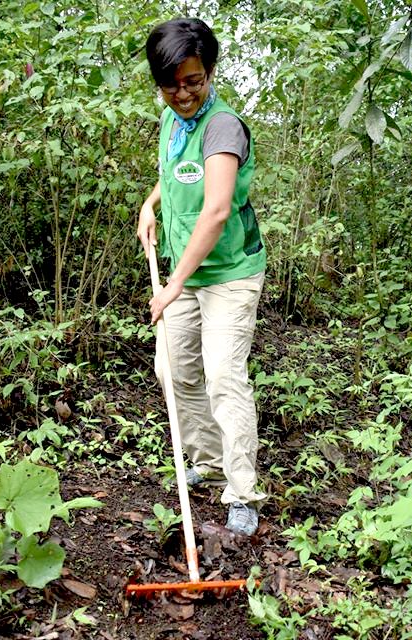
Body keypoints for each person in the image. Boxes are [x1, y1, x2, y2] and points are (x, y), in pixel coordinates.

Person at [137, 18, 267, 536]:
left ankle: (242, 491)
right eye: (173, 85)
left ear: (209, 72)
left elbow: (215, 211)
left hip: (229, 273)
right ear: (160, 82)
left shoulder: (222, 126)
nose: (185, 93)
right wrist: (151, 204)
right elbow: (172, 172)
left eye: (195, 81)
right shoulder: (174, 120)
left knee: (223, 376)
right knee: (174, 369)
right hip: (185, 270)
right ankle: (209, 462)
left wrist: (171, 285)